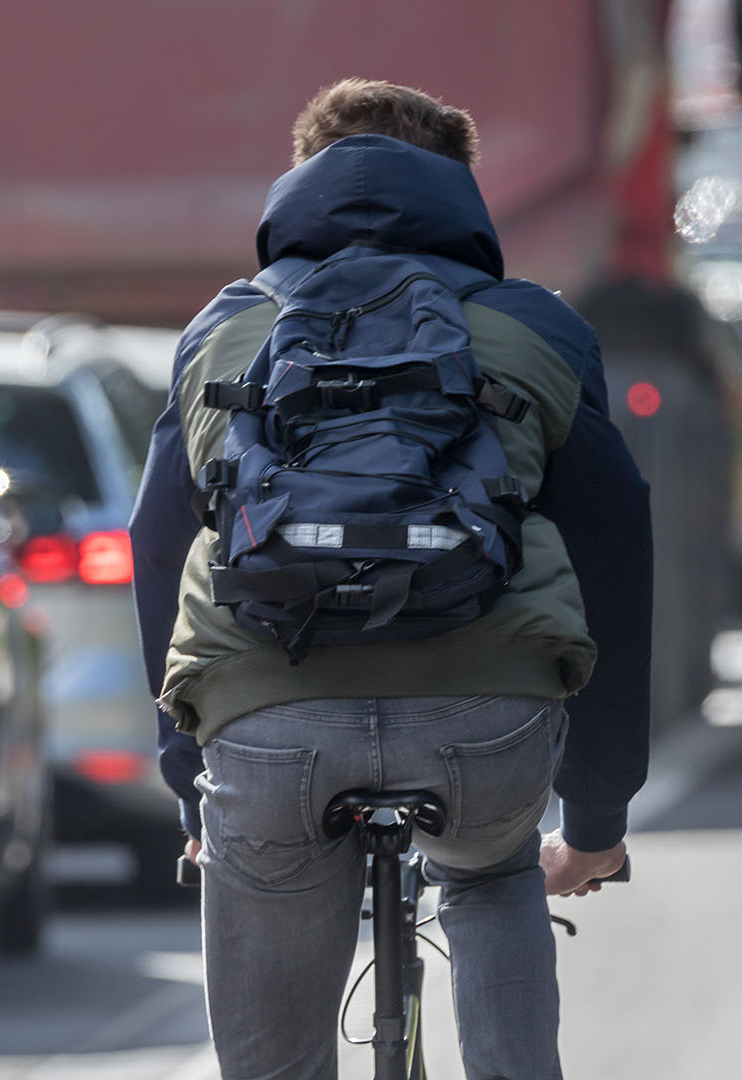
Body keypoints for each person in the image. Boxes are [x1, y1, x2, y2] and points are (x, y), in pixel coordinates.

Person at [131, 78, 653, 1080]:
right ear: (458, 192)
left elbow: (160, 546)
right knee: (493, 874)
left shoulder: (222, 332)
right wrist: (594, 820)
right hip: (483, 721)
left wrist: (191, 793)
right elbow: (615, 552)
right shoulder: (536, 328)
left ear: (302, 179)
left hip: (269, 723)